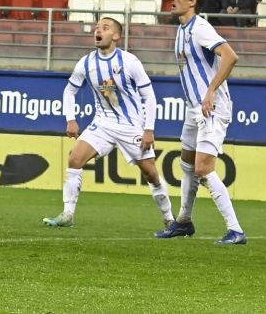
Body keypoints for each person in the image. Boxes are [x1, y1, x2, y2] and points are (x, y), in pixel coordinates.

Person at [42, 16, 173, 230]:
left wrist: (149, 129)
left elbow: (149, 96)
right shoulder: (86, 63)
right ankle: (68, 214)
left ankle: (169, 219)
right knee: (75, 158)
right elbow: (69, 91)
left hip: (130, 125)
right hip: (103, 123)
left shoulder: (129, 61)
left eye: (105, 28)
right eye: (97, 27)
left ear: (116, 35)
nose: (98, 31)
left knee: (151, 173)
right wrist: (70, 119)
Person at [156, 0, 247, 245]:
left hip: (211, 107)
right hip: (194, 108)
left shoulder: (200, 28)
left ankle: (236, 230)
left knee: (203, 168)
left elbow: (230, 56)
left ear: (193, 1)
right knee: (187, 163)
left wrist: (210, 92)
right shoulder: (182, 29)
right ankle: (183, 221)